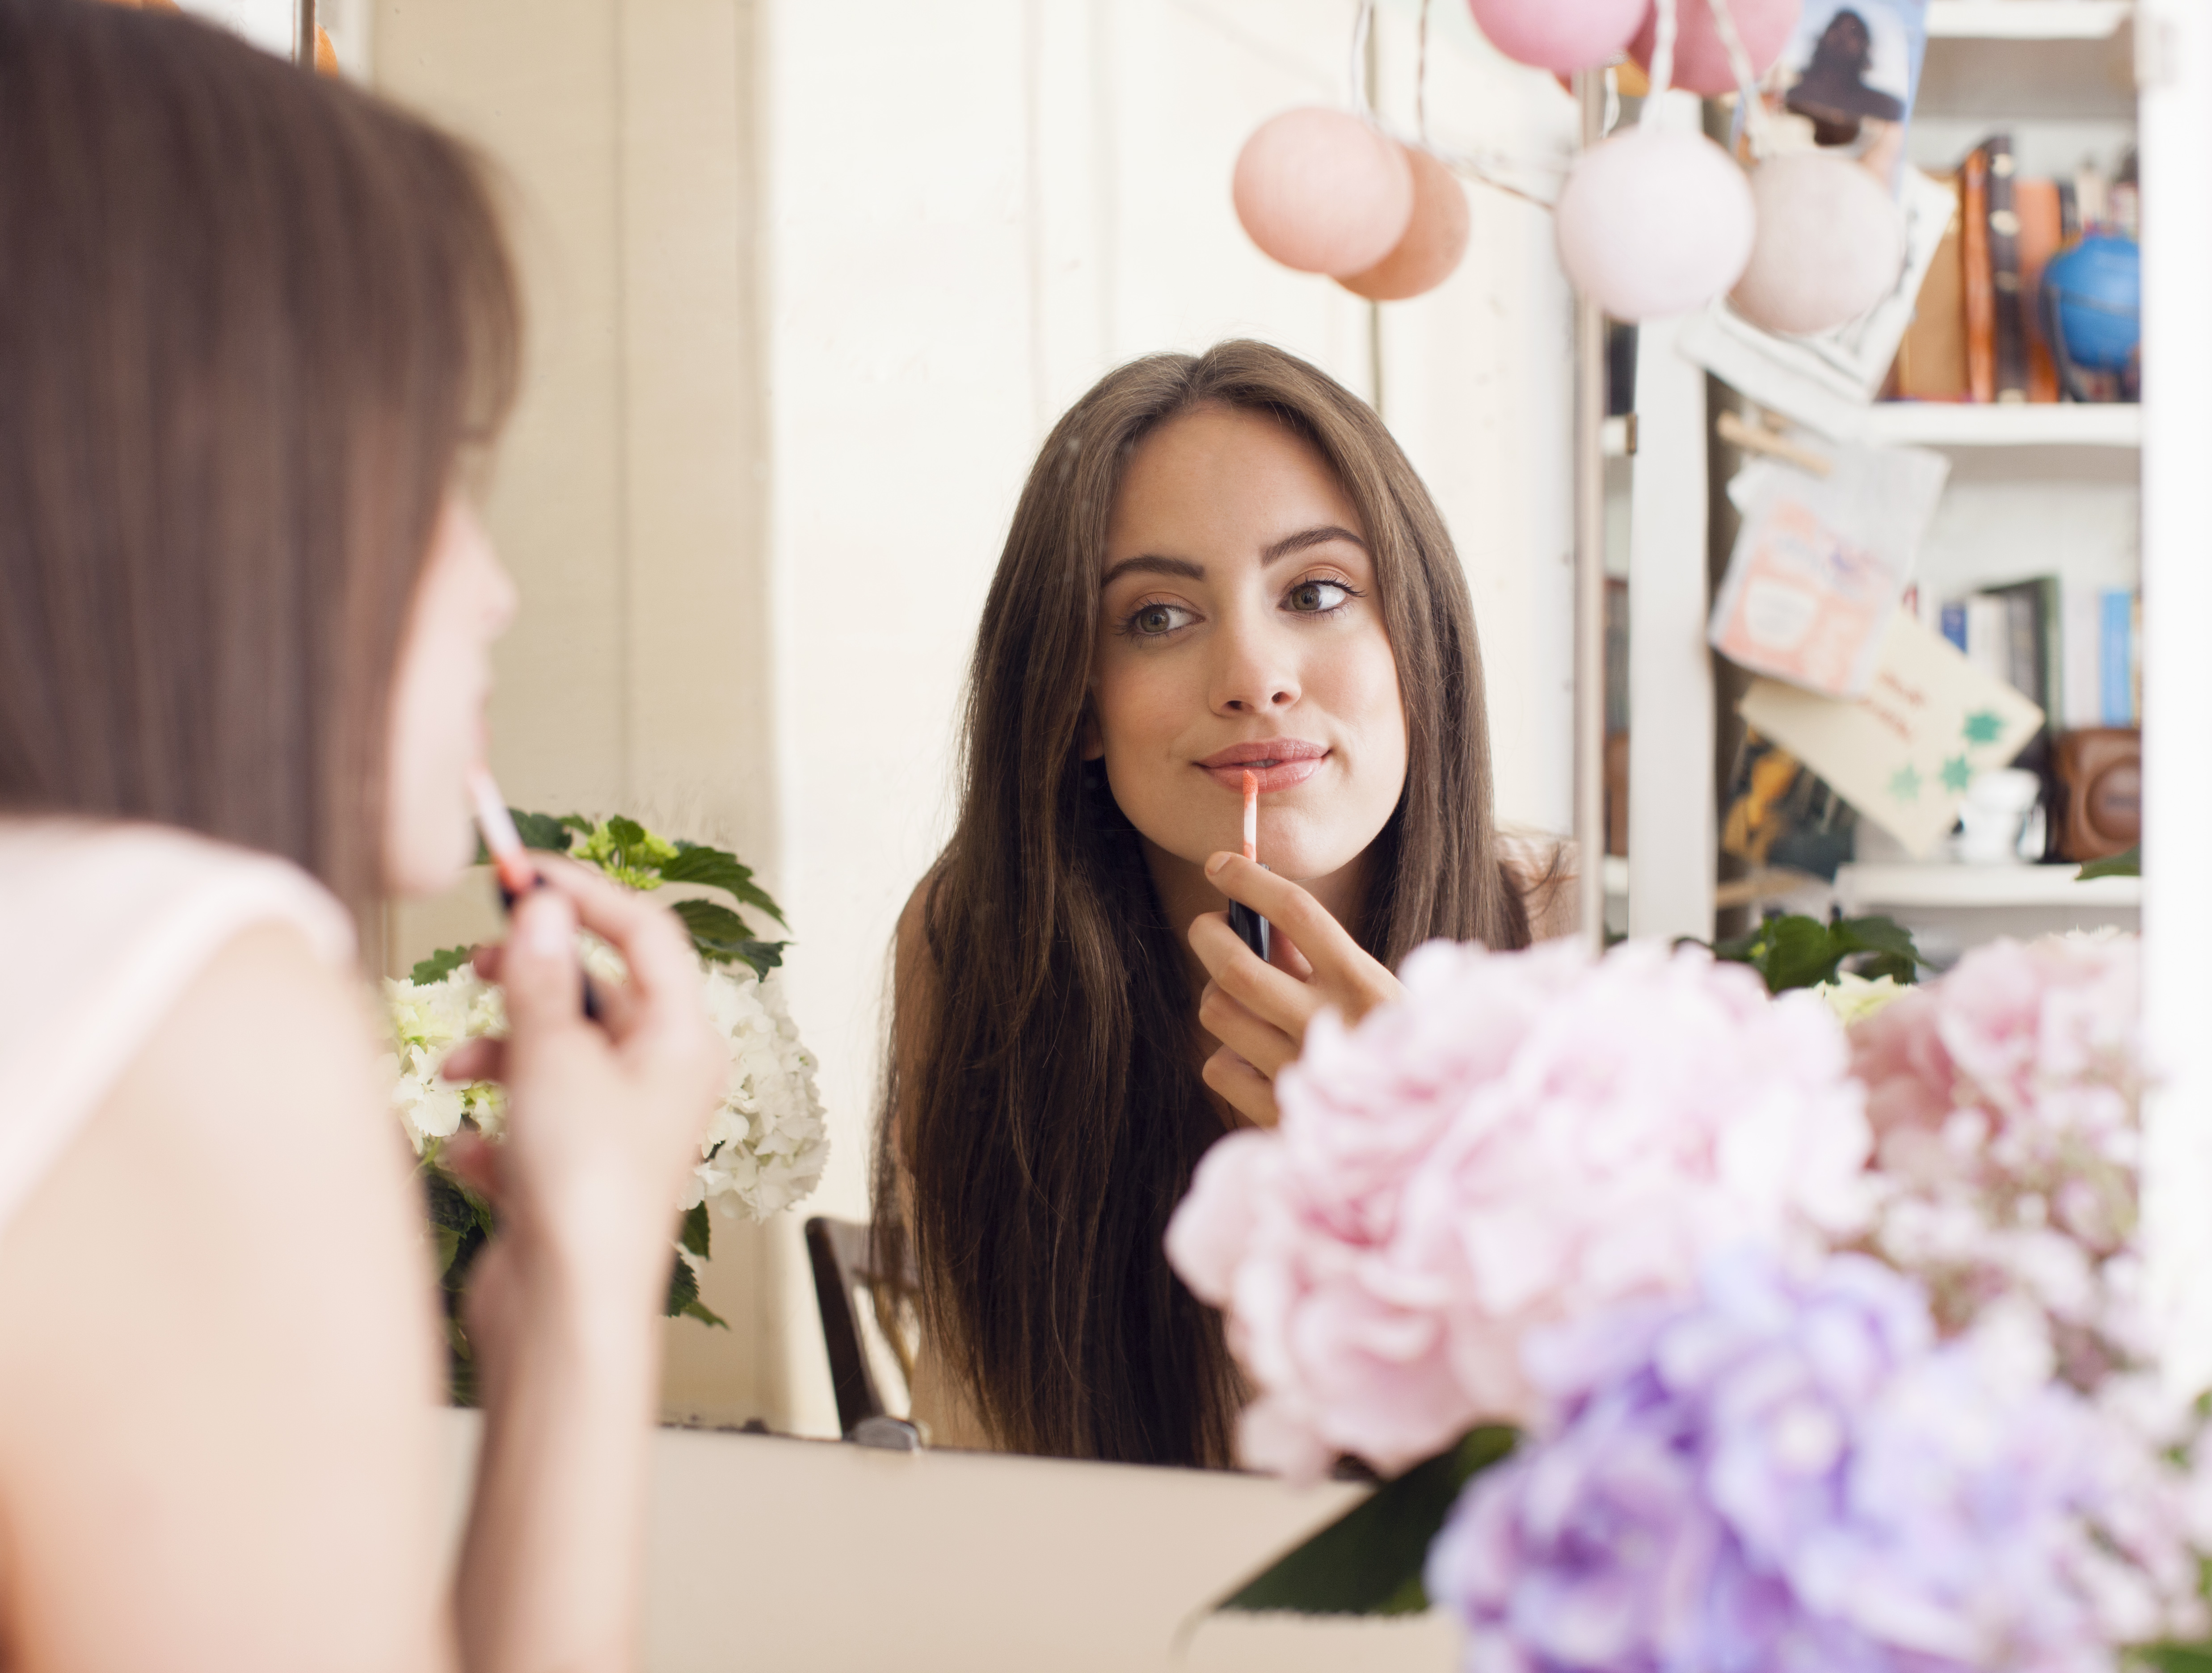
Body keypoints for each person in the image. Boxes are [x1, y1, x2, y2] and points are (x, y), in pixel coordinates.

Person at [0, 4, 725, 1667]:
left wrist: (577, 1299)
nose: (495, 585)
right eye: (435, 474)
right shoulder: (176, 991)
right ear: (205, 481)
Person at [874, 341, 1568, 1470]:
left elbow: (1590, 1483)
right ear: (1076, 704)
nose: (1255, 674)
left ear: (1419, 647)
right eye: (1155, 617)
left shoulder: (1551, 933)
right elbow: (996, 1441)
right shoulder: (976, 945)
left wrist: (1399, 1177)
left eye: (1319, 593)